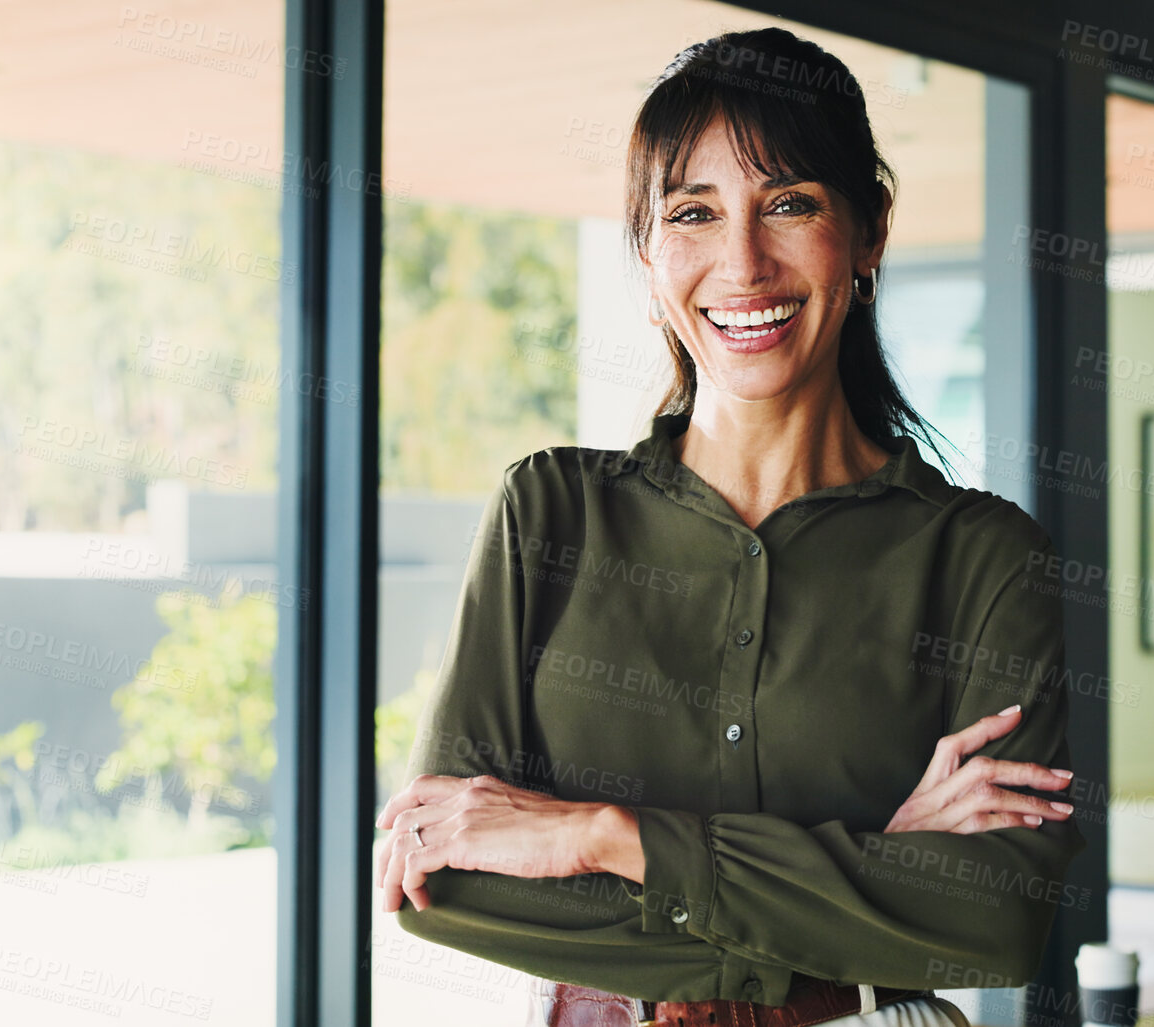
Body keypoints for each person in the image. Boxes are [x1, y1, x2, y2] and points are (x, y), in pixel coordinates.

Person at [374, 26, 1085, 1027]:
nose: (743, 264)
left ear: (869, 232)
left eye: (789, 204)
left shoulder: (985, 560)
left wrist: (599, 835)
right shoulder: (548, 513)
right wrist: (873, 867)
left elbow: (994, 920)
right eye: (693, 213)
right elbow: (440, 879)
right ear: (648, 254)